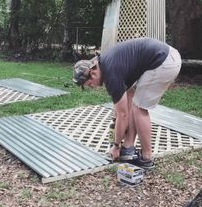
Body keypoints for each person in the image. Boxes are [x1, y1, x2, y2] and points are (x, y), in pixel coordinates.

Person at [73, 37, 181, 169]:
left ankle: (146, 158)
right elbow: (124, 100)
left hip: (163, 61)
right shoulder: (106, 63)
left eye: (89, 84)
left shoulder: (111, 74)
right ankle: (128, 147)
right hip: (168, 55)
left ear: (93, 72)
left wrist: (116, 145)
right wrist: (116, 119)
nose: (92, 87)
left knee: (138, 108)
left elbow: (123, 115)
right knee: (131, 99)